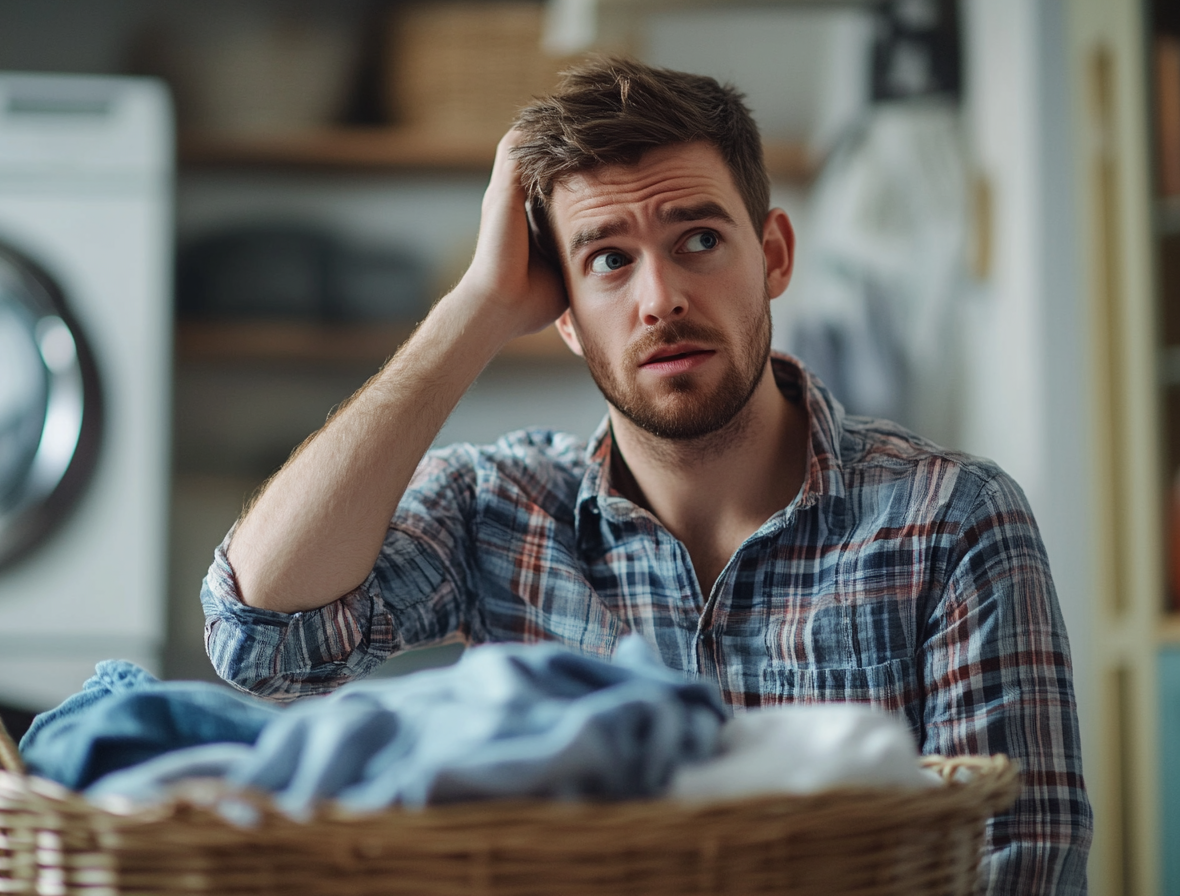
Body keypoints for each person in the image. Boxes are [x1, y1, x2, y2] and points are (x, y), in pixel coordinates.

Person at [201, 57, 1090, 893]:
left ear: (775, 255)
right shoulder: (501, 508)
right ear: (565, 317)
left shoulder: (954, 518)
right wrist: (473, 309)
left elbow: (1021, 863)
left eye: (698, 238)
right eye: (608, 260)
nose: (659, 296)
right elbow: (261, 638)